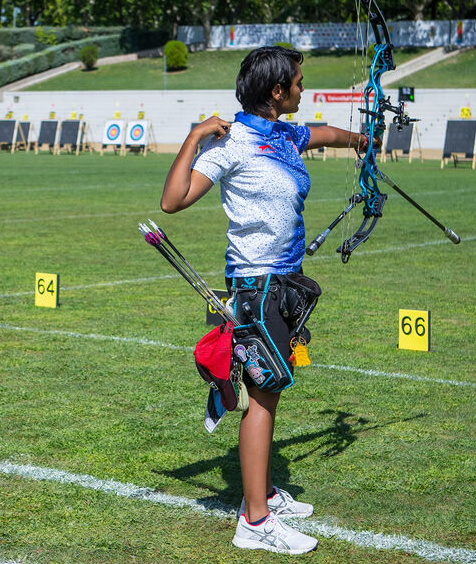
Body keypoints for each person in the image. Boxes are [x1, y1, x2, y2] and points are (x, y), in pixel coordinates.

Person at [160, 46, 376, 555]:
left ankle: (265, 495)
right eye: (298, 83)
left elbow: (318, 133)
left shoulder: (283, 135)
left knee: (273, 392)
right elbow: (172, 201)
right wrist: (194, 136)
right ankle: (254, 522)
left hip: (284, 281)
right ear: (276, 92)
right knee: (262, 398)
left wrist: (359, 140)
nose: (304, 89)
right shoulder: (232, 142)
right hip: (254, 289)